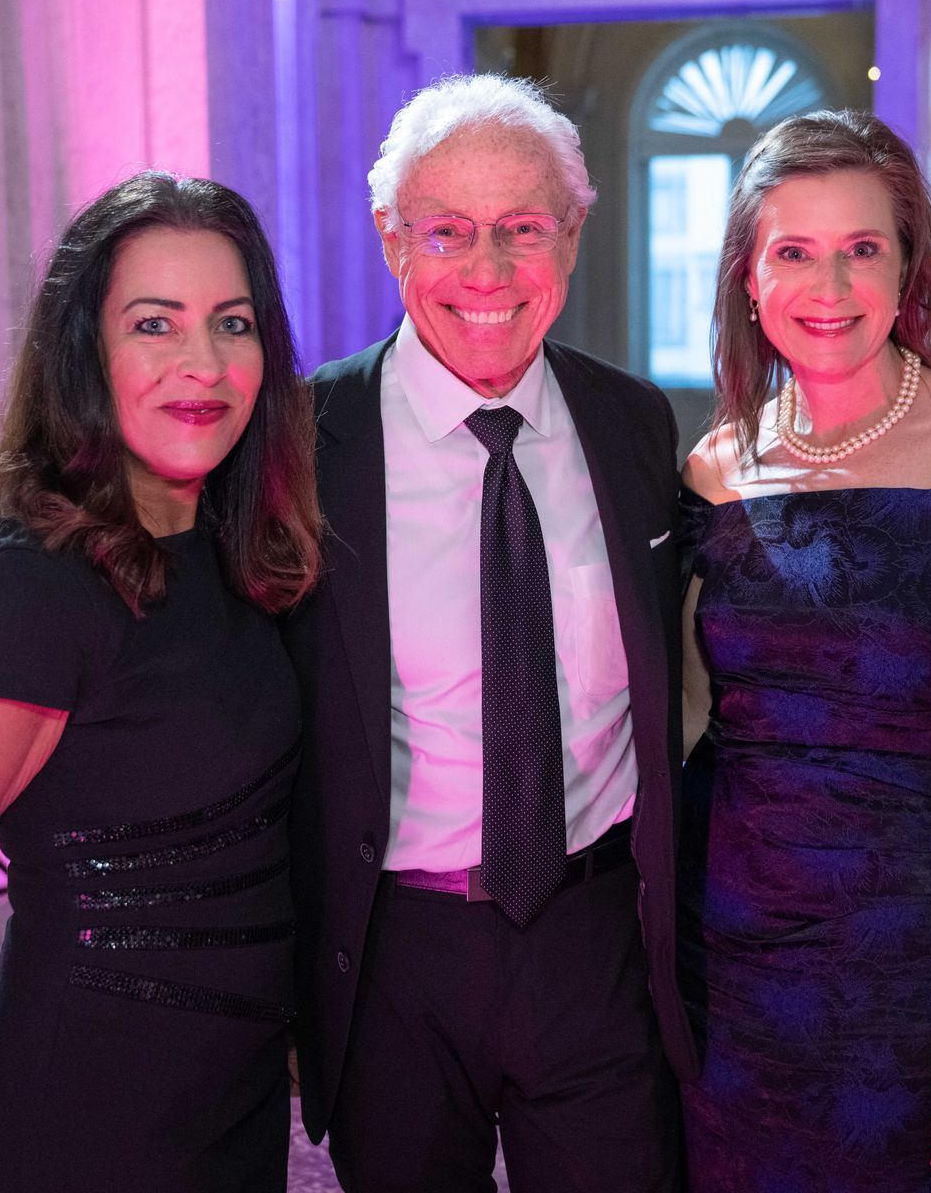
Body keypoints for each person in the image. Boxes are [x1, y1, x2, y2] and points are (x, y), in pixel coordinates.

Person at [0, 172, 320, 1192]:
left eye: (232, 323)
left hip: (230, 1092)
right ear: (85, 352)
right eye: (155, 324)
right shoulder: (38, 590)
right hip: (87, 1113)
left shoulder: (227, 548)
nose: (203, 362)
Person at [283, 73, 699, 1193]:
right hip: (393, 956)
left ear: (573, 234)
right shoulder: (301, 442)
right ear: (390, 241)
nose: (488, 271)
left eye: (523, 229)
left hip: (597, 936)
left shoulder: (635, 423)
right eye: (447, 232)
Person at [676, 109, 931, 1191]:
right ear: (749, 278)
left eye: (863, 248)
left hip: (896, 954)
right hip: (715, 945)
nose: (831, 285)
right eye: (794, 252)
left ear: (908, 267)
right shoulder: (716, 468)